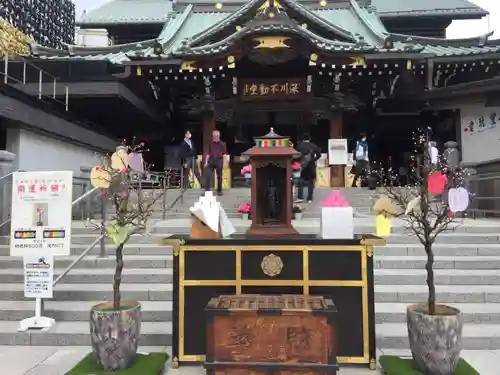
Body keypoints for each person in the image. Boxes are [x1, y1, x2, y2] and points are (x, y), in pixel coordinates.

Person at [296, 133, 321, 203]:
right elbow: (319, 155)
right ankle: (309, 198)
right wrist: (314, 159)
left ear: (302, 139)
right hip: (311, 165)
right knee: (311, 182)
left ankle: (300, 197)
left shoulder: (299, 146)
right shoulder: (314, 146)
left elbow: (297, 156)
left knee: (301, 181)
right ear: (309, 138)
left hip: (303, 166)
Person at [203, 130, 227, 196]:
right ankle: (207, 190)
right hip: (211, 160)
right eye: (214, 136)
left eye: (216, 136)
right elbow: (208, 153)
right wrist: (206, 162)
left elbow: (224, 154)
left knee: (219, 177)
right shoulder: (211, 143)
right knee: (208, 175)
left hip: (219, 160)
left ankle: (219, 190)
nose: (215, 138)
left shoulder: (222, 144)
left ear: (219, 136)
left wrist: (225, 163)